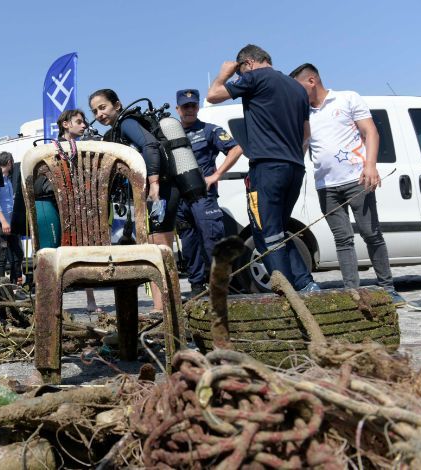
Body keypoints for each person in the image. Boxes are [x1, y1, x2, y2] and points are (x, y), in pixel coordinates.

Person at [206, 44, 320, 292]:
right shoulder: (297, 88)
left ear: (247, 63)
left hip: (267, 169)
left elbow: (212, 95)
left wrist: (225, 73)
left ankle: (287, 291)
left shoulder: (254, 77)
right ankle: (306, 284)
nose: (240, 78)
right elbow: (306, 136)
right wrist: (292, 158)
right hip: (294, 168)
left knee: (265, 233)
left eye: (240, 71)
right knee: (278, 230)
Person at [290, 63, 405, 305]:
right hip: (326, 187)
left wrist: (370, 165)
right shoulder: (304, 113)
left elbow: (371, 132)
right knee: (343, 240)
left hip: (357, 179)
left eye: (298, 88)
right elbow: (302, 145)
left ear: (311, 81)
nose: (296, 94)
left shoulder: (347, 98)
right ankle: (352, 293)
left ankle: (387, 287)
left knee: (370, 233)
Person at [89, 89, 172, 313]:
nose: (99, 114)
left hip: (155, 194)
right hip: (135, 201)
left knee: (159, 250)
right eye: (94, 111)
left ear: (117, 105)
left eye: (102, 107)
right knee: (146, 252)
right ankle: (157, 307)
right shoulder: (115, 132)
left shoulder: (126, 123)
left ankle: (162, 308)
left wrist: (154, 183)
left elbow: (150, 145)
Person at [173, 89, 244, 297]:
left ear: (197, 107)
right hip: (181, 200)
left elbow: (236, 149)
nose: (189, 110)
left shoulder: (209, 130)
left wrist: (217, 175)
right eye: (185, 106)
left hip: (204, 197)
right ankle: (196, 287)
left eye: (193, 105)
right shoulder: (170, 135)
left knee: (212, 241)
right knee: (189, 244)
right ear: (177, 109)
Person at [34, 110, 102, 312]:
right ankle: (48, 303)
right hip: (50, 204)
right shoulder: (51, 149)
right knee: (50, 253)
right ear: (65, 124)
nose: (84, 126)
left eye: (84, 122)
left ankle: (91, 301)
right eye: (79, 122)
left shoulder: (83, 148)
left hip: (76, 205)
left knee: (84, 250)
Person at [0, 151, 24, 285]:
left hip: (11, 224)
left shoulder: (7, 180)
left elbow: (8, 201)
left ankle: (15, 286)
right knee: (1, 259)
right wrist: (3, 221)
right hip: (0, 225)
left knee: (17, 256)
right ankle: (1, 290)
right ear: (9, 162)